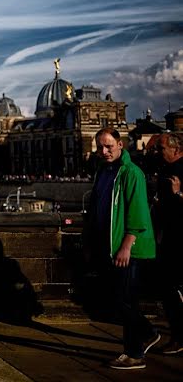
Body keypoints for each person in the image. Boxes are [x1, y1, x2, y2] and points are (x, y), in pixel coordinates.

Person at [85, 127, 159, 370]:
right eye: (100, 147)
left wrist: (126, 246)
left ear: (120, 144)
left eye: (109, 146)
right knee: (118, 300)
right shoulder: (104, 171)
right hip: (110, 246)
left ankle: (136, 352)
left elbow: (138, 213)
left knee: (124, 301)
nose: (104, 151)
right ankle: (143, 336)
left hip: (129, 248)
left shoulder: (131, 173)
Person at [152, 132, 183, 355]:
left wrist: (179, 193)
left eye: (161, 148)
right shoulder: (165, 168)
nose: (158, 152)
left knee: (171, 289)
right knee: (168, 289)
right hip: (168, 238)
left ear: (176, 149)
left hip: (180, 239)